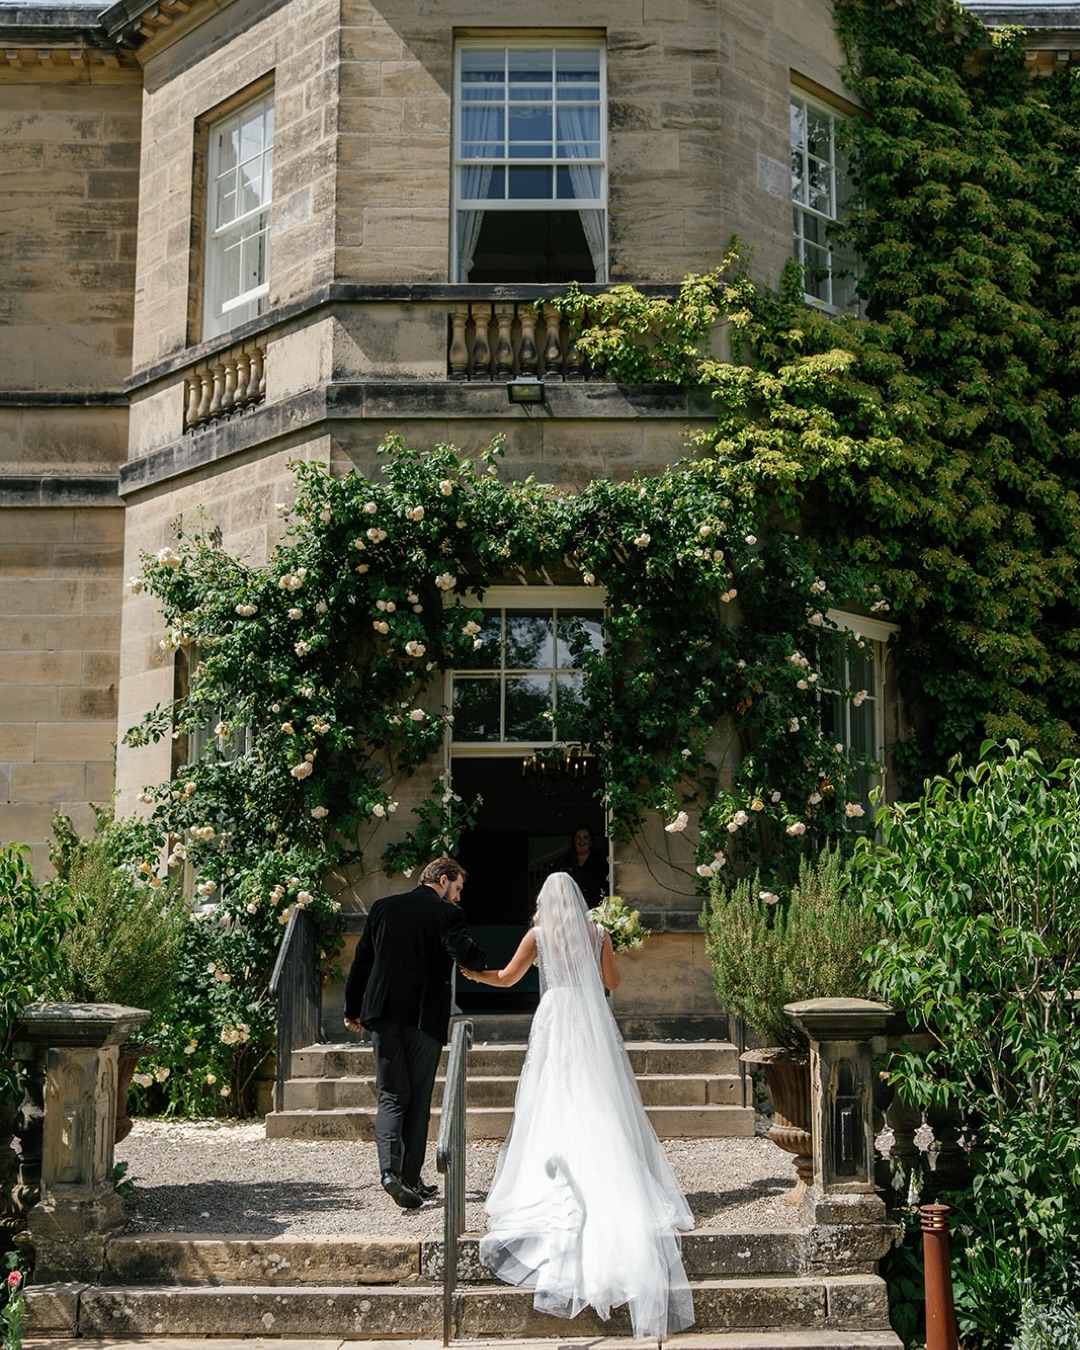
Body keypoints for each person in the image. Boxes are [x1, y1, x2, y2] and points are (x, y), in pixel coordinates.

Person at [461, 872, 694, 1340]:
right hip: (590, 1018)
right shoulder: (599, 932)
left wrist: (473, 975)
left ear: (545, 903)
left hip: (555, 1016)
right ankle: (614, 1173)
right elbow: (612, 980)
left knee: (551, 1095)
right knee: (599, 1094)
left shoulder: (538, 935)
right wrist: (598, 957)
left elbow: (507, 979)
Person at [343, 856, 487, 1210]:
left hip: (382, 1013)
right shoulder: (446, 914)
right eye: (457, 888)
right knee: (419, 1098)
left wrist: (352, 1008)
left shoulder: (382, 908)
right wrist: (480, 963)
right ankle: (409, 1177)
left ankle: (391, 1174)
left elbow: (362, 960)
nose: (457, 897)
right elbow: (465, 953)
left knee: (392, 1094)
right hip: (424, 1017)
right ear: (442, 879)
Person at [548, 823, 609, 906]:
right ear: (574, 840)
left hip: (594, 908)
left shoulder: (601, 861)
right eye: (578, 838)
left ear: (590, 840)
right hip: (570, 907)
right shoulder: (564, 860)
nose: (582, 841)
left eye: (585, 838)